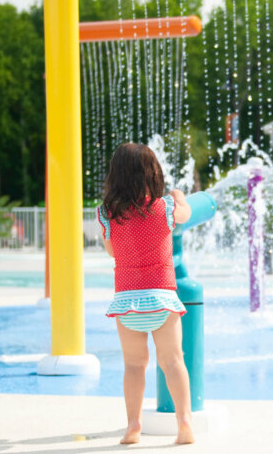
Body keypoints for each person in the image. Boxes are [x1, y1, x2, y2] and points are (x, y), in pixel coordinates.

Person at [97, 143, 194, 445]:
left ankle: (133, 425)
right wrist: (178, 196)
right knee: (173, 361)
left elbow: (112, 250)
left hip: (126, 301)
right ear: (153, 173)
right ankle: (184, 423)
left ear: (116, 176)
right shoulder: (165, 207)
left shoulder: (106, 213)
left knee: (134, 366)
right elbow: (185, 215)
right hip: (162, 297)